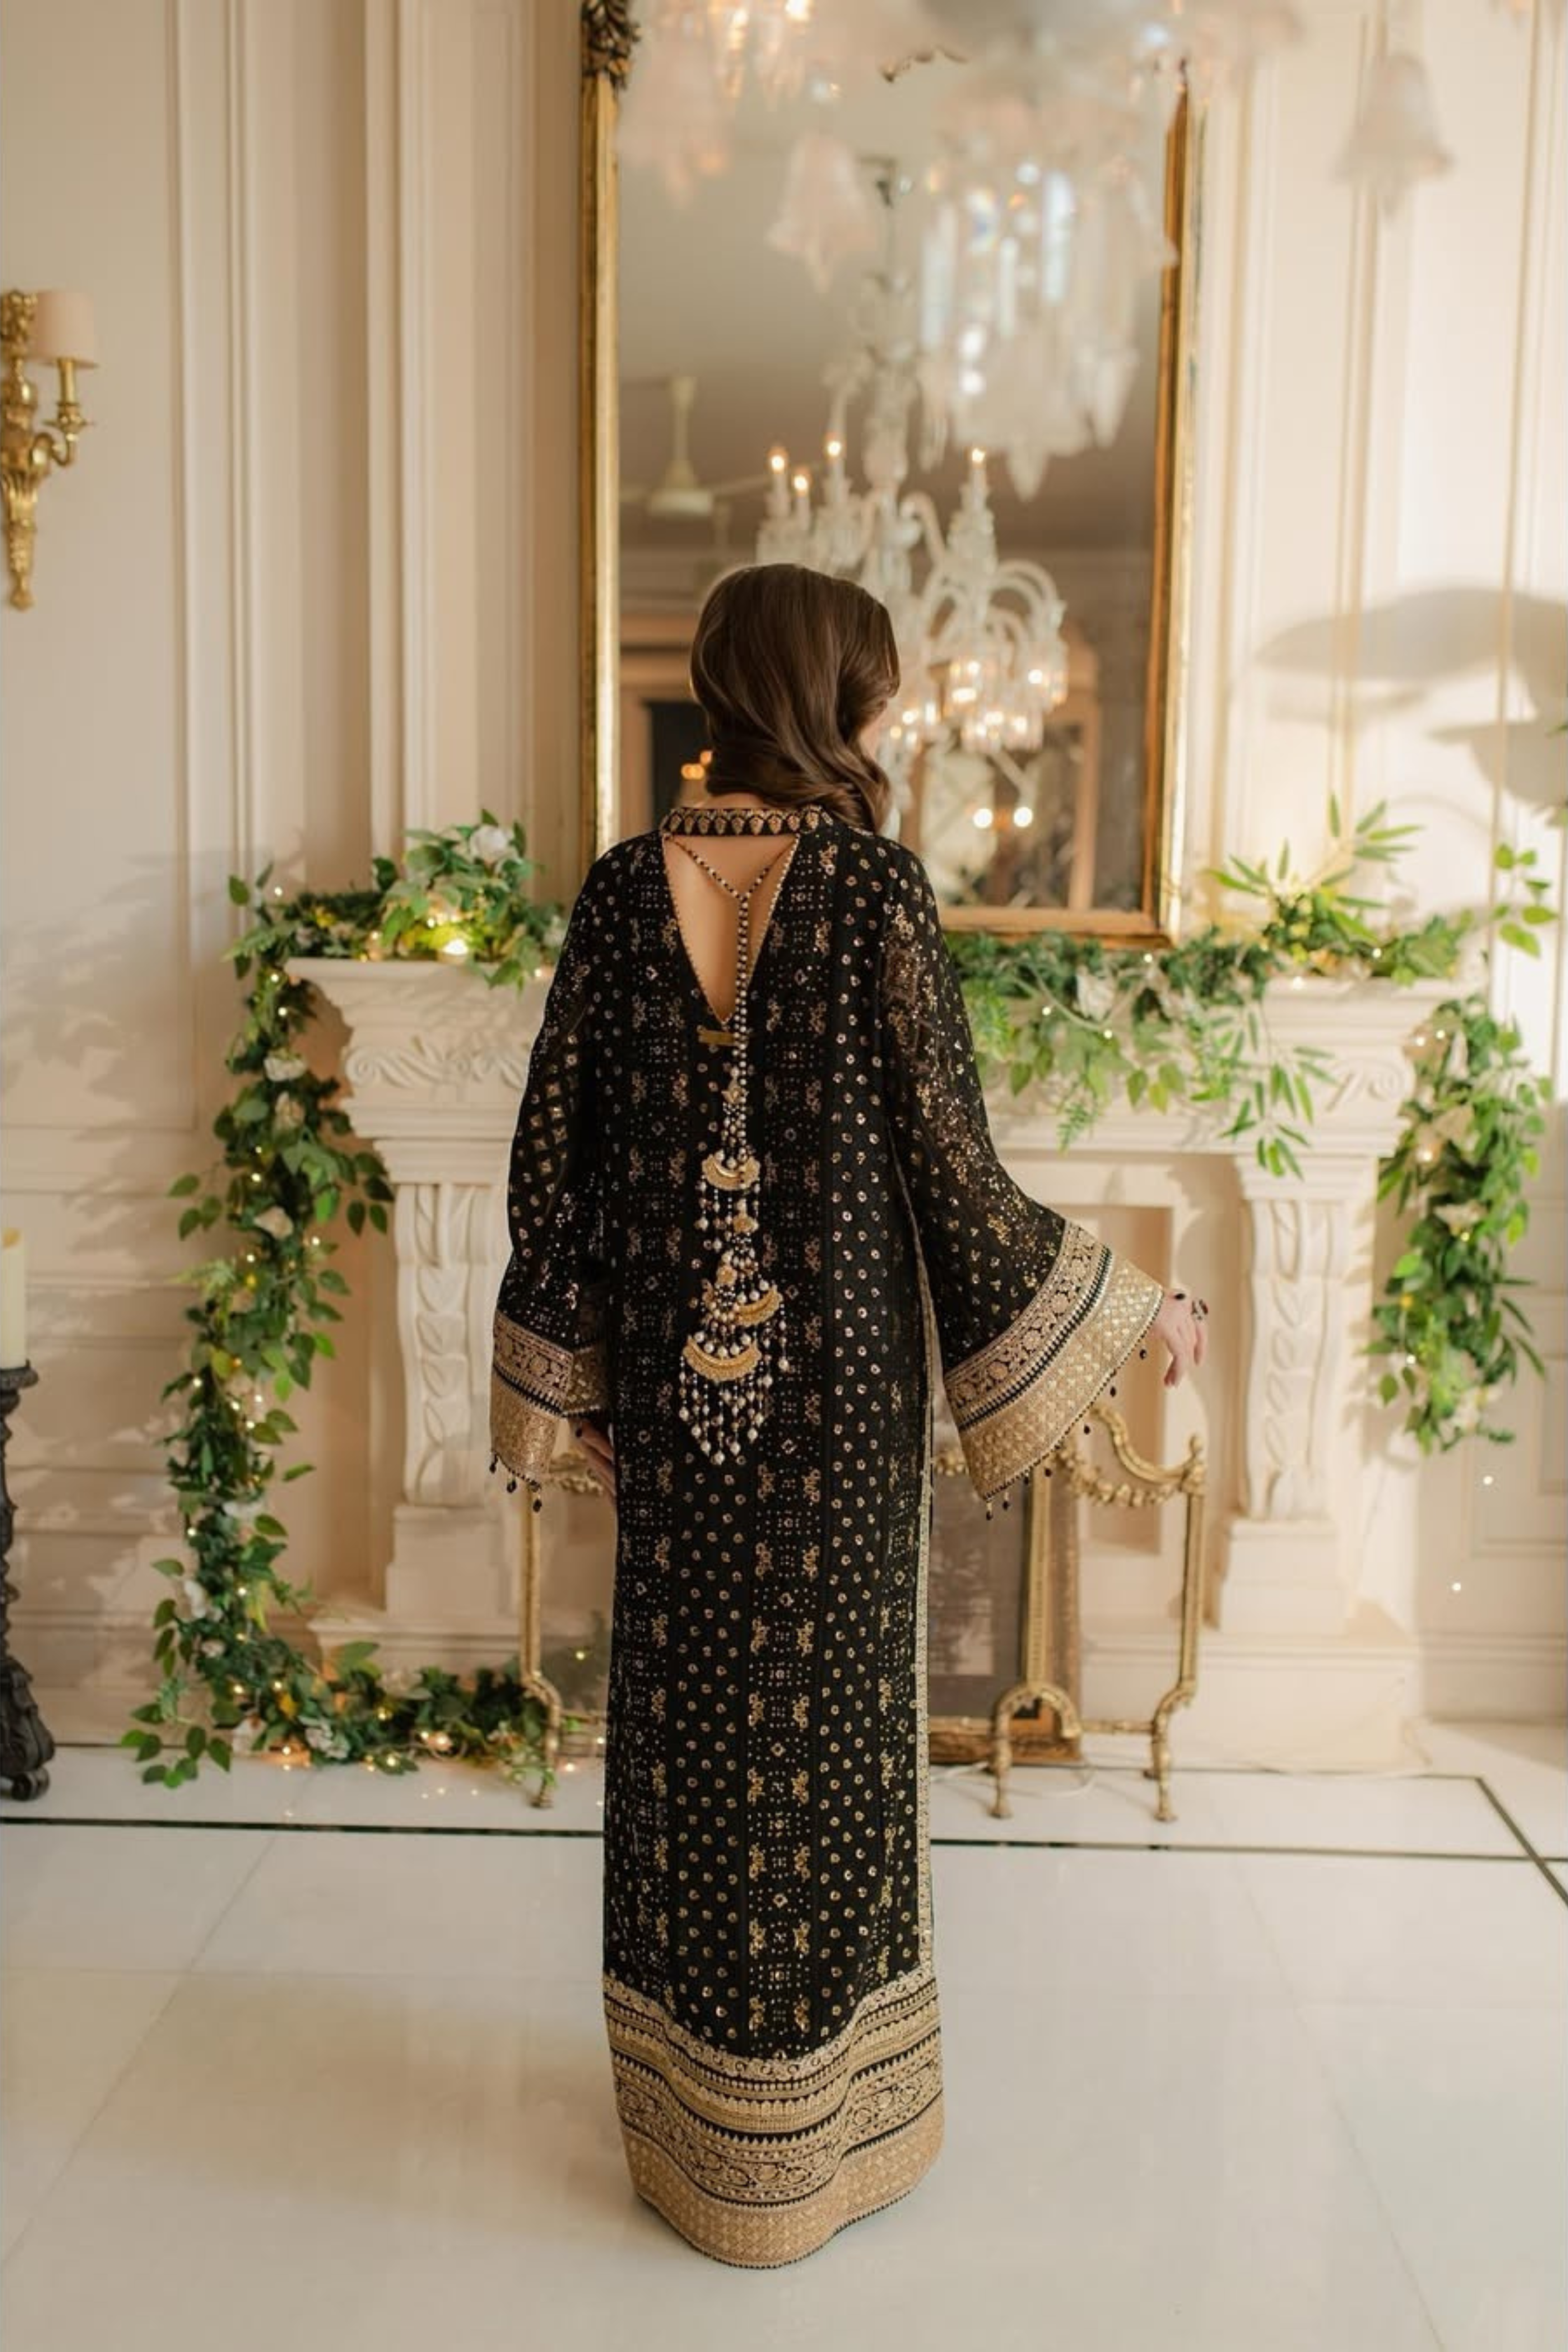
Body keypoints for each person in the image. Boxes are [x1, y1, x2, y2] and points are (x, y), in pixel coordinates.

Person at [489, 561, 1207, 2269]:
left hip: (678, 1400)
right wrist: (1133, 1309)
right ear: (835, 699)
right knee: (819, 1761)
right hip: (835, 1416)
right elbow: (955, 1176)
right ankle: (812, 2147)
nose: (884, 712)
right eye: (874, 686)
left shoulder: (609, 896)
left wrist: (575, 1371)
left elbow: (553, 1161)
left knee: (680, 1745)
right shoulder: (877, 894)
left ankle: (695, 2154)